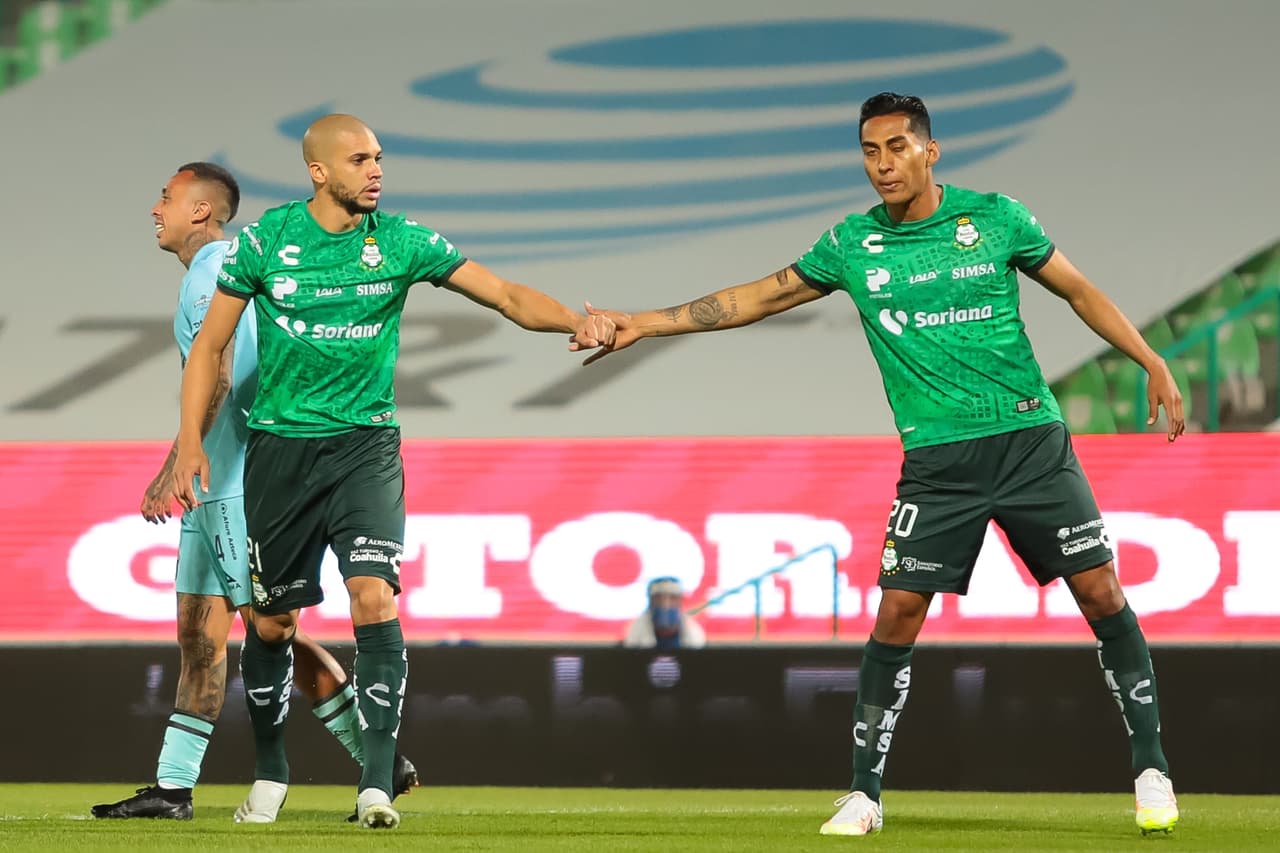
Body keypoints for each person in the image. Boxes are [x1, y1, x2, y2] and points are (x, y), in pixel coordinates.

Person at [578, 92, 1184, 838]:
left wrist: (1150, 359)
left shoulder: (995, 218)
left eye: (897, 147)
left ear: (931, 150)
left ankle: (1151, 769)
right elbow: (758, 296)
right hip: (936, 460)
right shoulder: (852, 243)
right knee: (897, 612)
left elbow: (1080, 290)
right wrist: (644, 321)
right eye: (870, 151)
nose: (883, 165)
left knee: (1099, 591)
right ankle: (864, 792)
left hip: (1029, 441)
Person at [167, 116, 614, 829]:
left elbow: (501, 293)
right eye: (358, 159)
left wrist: (574, 318)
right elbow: (209, 346)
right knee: (274, 623)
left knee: (374, 596)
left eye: (378, 157)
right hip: (282, 452)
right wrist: (190, 441)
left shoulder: (403, 241)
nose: (375, 169)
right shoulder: (266, 241)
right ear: (319, 171)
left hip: (366, 447)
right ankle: (272, 769)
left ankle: (375, 782)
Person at [93, 163, 418, 823]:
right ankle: (174, 787)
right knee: (199, 633)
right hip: (212, 485)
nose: (155, 209)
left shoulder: (216, 270)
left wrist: (177, 462)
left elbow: (226, 372)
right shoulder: (204, 271)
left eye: (166, 197)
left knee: (269, 628)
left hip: (236, 480)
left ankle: (377, 758)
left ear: (202, 210)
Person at [622, 576, 707, 649]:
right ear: (650, 602)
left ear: (680, 602)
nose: (665, 604)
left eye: (672, 598)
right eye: (659, 598)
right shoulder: (635, 632)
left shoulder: (695, 634)